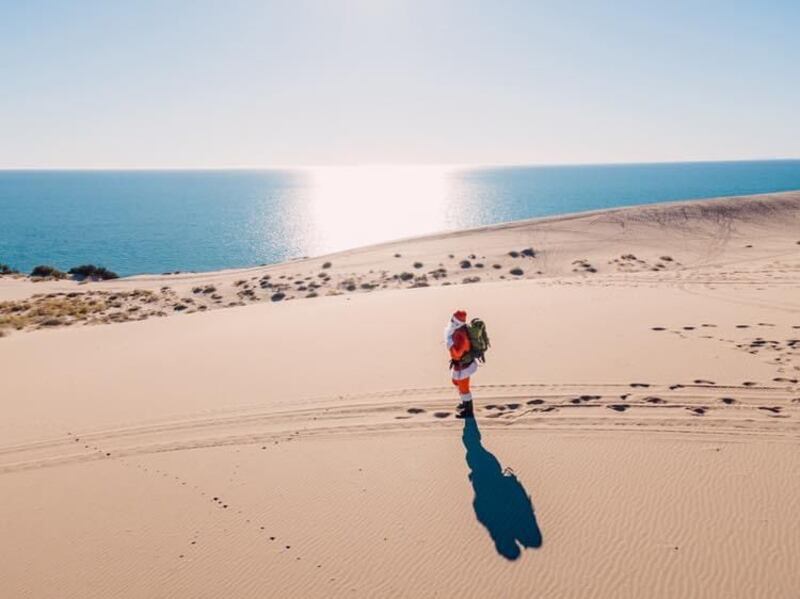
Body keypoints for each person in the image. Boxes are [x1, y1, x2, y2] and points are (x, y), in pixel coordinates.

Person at [444, 310, 478, 417]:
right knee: (456, 382)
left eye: (453, 319)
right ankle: (465, 403)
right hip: (461, 365)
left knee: (464, 388)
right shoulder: (458, 329)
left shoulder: (460, 334)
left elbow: (458, 353)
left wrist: (450, 345)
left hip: (463, 366)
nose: (451, 321)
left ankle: (468, 411)